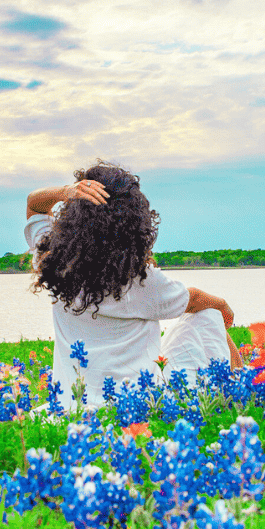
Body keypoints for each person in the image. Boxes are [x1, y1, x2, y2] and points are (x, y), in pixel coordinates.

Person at [25, 161, 243, 410]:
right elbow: (192, 299)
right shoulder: (141, 280)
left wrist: (66, 192)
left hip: (72, 405)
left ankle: (242, 386)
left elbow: (34, 204)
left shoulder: (54, 263)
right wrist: (223, 306)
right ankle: (241, 388)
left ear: (73, 218)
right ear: (135, 223)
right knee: (209, 315)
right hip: (140, 403)